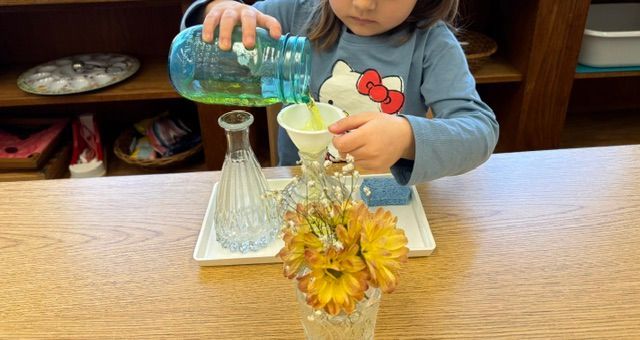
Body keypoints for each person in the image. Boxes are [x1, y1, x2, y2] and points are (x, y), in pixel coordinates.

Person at [182, 0, 499, 185]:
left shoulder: (431, 43)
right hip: (302, 191)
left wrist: (407, 137)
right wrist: (217, 10)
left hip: (385, 200)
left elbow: (480, 129)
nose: (363, 4)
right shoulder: (297, 12)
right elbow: (210, 28)